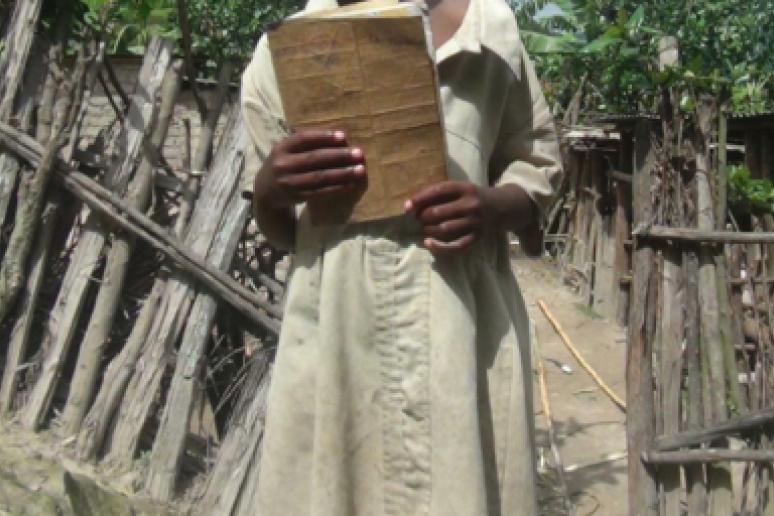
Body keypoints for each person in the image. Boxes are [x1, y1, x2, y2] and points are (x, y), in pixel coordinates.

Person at [240, 0, 562, 514]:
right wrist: (271, 185)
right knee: (333, 486)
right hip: (337, 328)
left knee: (458, 481)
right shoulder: (287, 48)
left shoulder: (492, 38)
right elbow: (271, 214)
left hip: (460, 323)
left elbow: (535, 162)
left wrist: (496, 206)